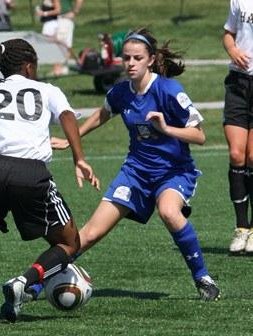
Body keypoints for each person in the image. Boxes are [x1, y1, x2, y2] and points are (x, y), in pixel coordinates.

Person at [50, 28, 221, 301]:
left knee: (169, 212)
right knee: (91, 232)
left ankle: (204, 279)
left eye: (137, 58)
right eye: (126, 58)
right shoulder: (120, 92)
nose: (130, 63)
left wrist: (166, 128)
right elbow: (102, 114)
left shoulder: (169, 90)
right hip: (135, 173)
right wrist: (72, 139)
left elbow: (200, 136)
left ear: (150, 60)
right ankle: (37, 281)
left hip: (173, 172)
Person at [0, 38, 100, 323]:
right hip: (31, 174)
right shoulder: (47, 90)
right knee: (69, 243)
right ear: (28, 66)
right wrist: (79, 157)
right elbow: (66, 116)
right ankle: (24, 282)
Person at [222, 0, 253, 254]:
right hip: (238, 84)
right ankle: (241, 228)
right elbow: (229, 34)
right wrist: (232, 50)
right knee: (236, 154)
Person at [51, 0, 83, 76]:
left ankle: (60, 69)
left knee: (61, 44)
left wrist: (75, 12)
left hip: (64, 19)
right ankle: (61, 68)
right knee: (61, 44)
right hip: (57, 19)